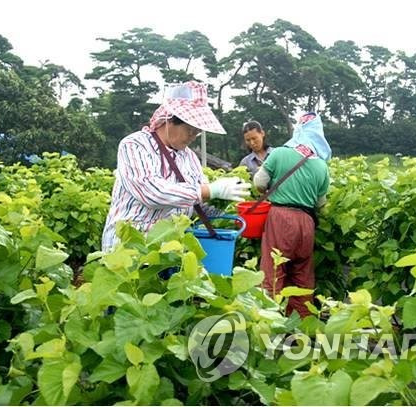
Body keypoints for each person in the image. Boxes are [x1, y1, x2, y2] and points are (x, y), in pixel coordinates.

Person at [101, 81, 251, 251]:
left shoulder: (189, 157)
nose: (193, 136)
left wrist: (228, 215)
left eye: (197, 132)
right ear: (169, 121)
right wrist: (209, 190)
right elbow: (151, 192)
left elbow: (196, 205)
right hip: (129, 249)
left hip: (169, 251)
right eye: (190, 130)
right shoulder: (135, 145)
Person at [253, 112, 331, 318]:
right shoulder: (321, 165)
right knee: (302, 275)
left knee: (273, 271)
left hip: (280, 218)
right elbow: (321, 203)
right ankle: (302, 326)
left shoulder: (279, 153)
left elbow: (260, 183)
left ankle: (270, 323)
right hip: (307, 222)